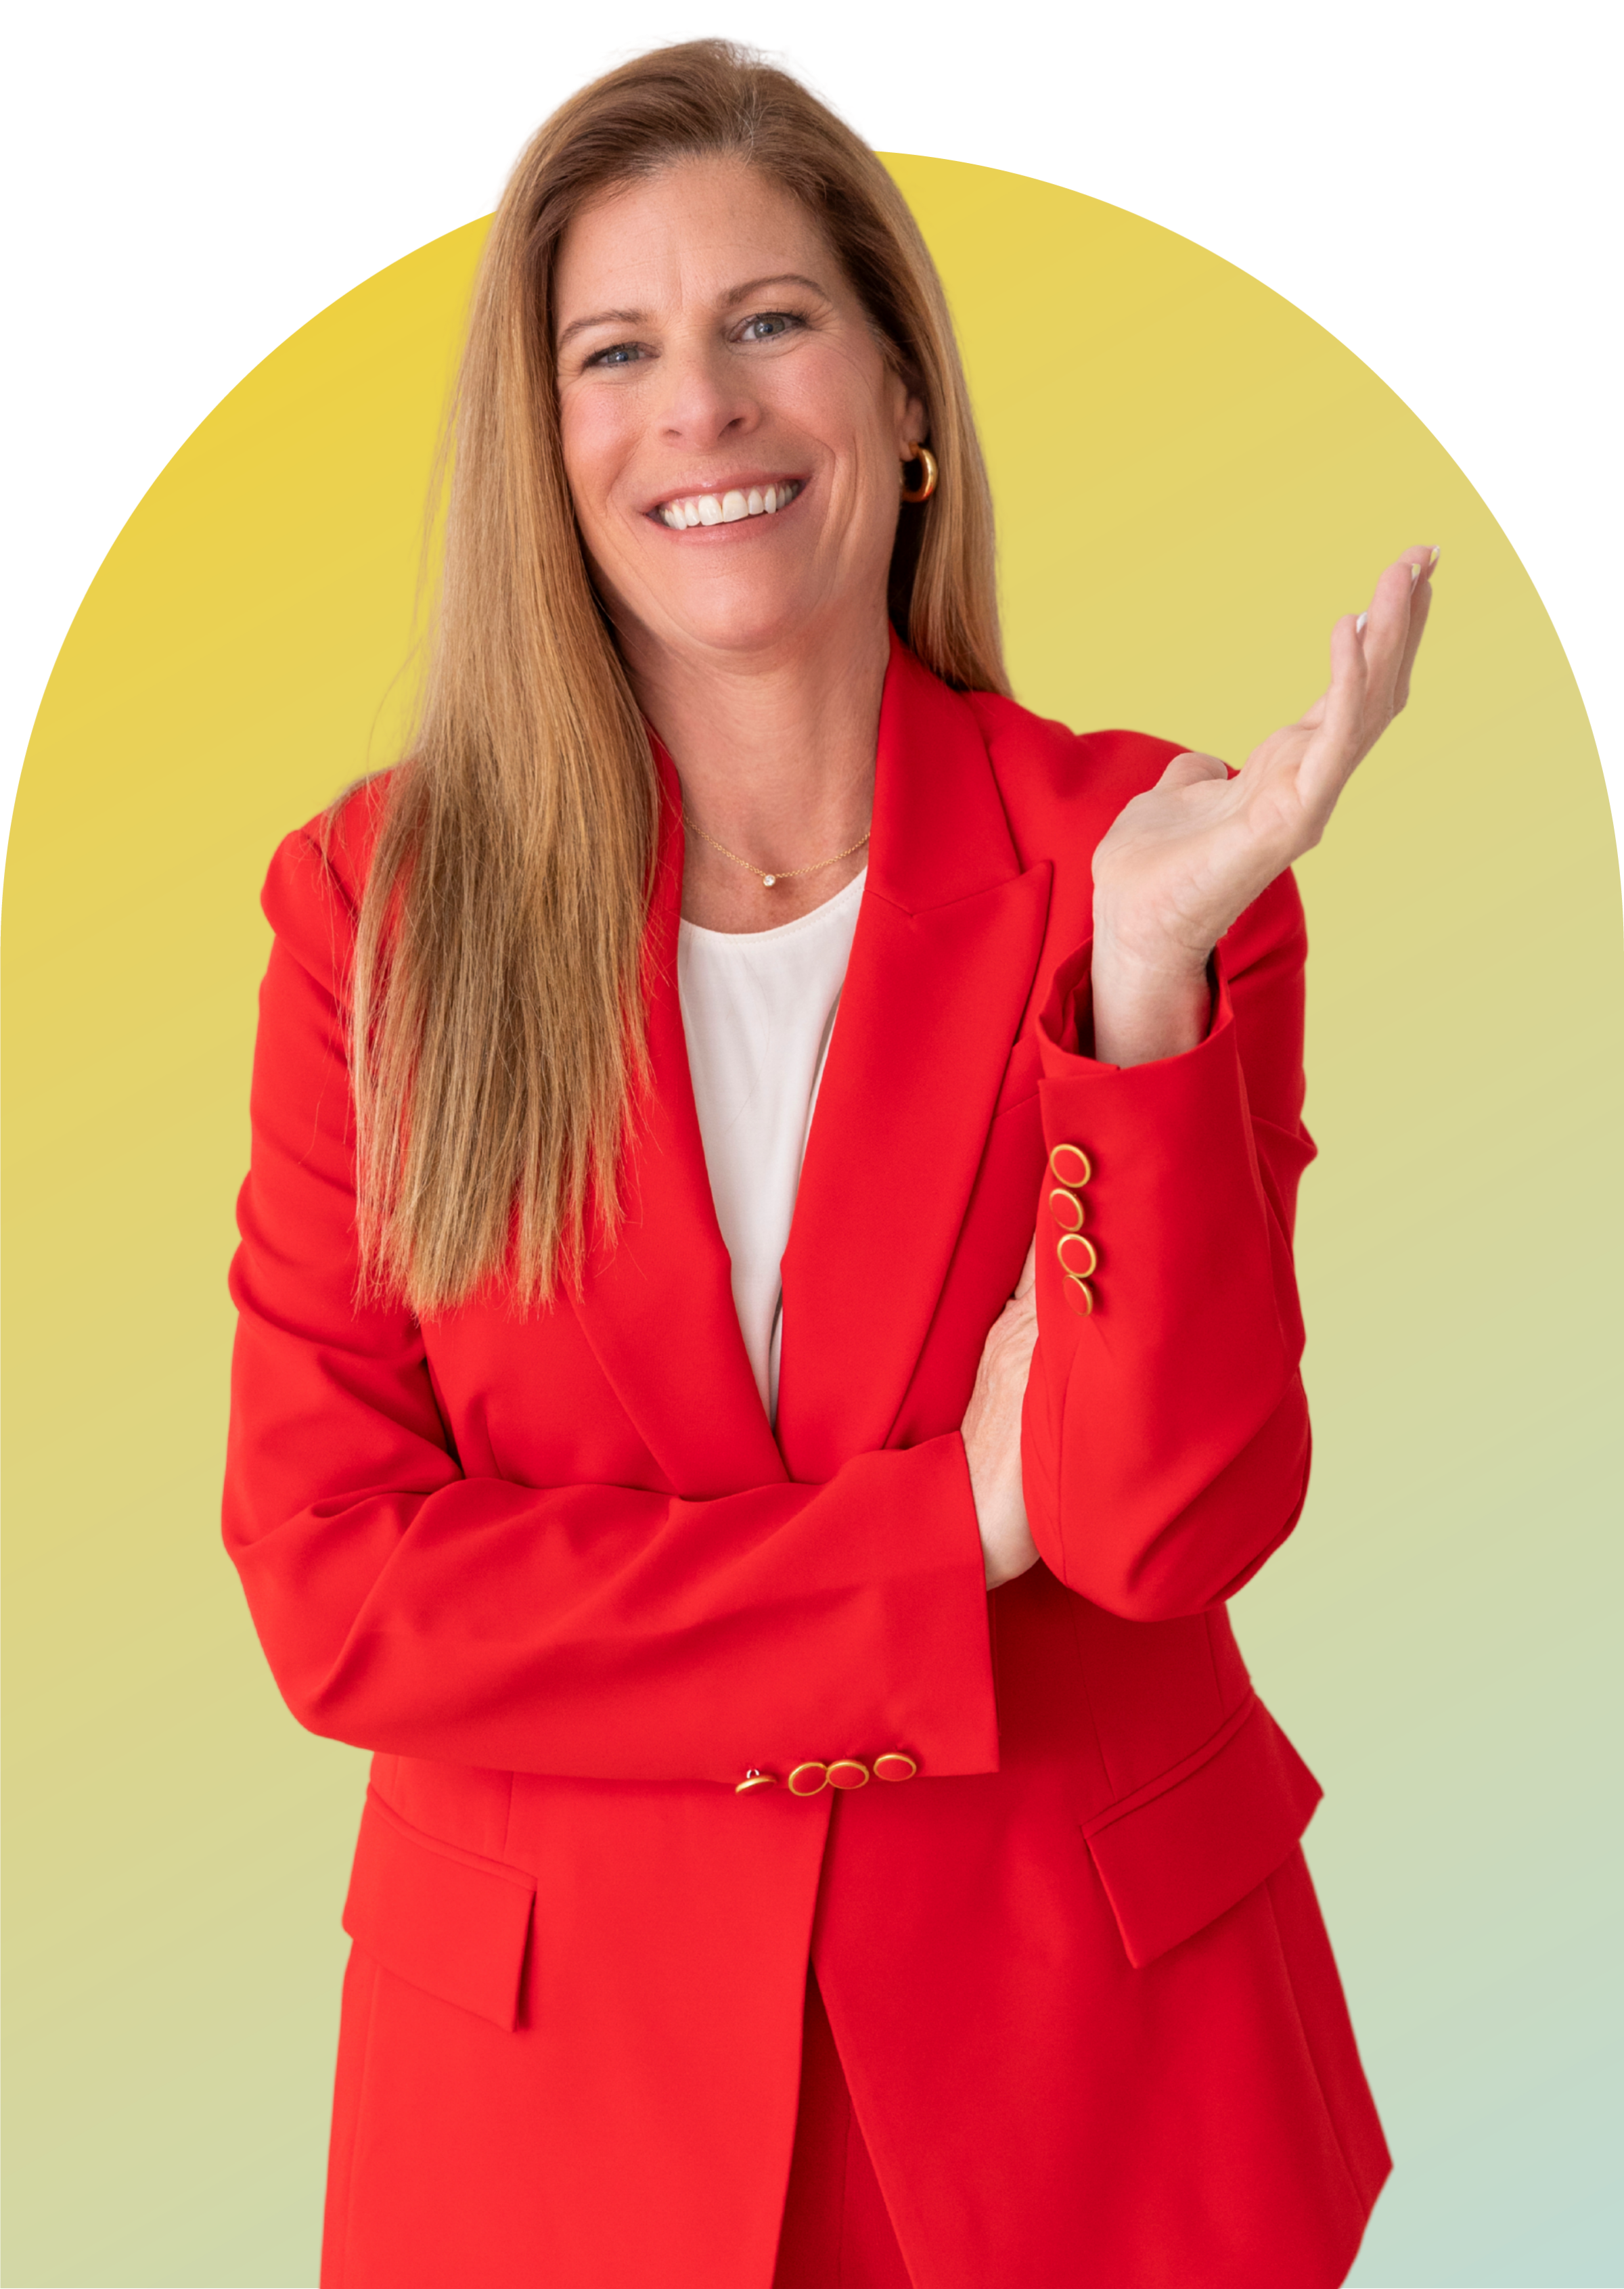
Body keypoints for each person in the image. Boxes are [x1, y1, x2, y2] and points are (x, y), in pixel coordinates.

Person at [223, 32, 1433, 2289]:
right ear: (550, 446)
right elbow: (337, 1583)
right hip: (556, 2112)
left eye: (769, 319)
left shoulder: (1143, 858)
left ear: (904, 403)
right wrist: (946, 1532)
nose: (701, 406)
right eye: (619, 349)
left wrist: (1144, 992)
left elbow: (1169, 1526)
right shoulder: (374, 915)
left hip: (1096, 2085)